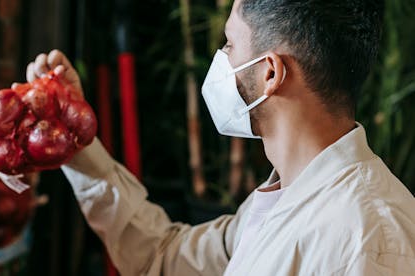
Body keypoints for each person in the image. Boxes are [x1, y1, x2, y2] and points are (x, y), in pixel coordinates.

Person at [26, 0, 415, 275]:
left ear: (270, 73)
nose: (221, 58)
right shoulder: (285, 199)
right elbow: (164, 256)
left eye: (229, 43)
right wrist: (71, 134)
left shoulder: (369, 241)